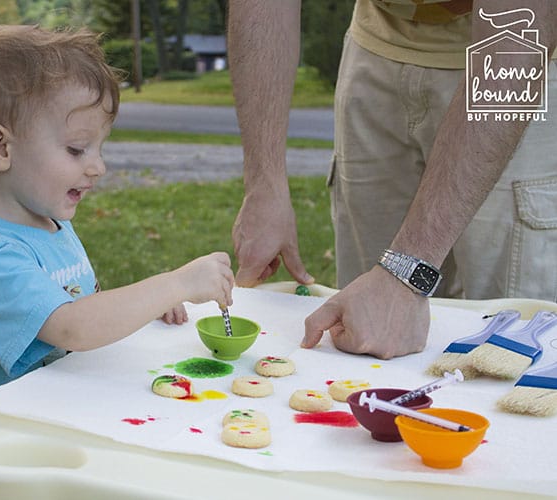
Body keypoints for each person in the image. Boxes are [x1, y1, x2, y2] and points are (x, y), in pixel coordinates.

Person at [228, 0, 557, 359]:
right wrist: (264, 182)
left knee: (511, 349)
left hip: (515, 50)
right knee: (364, 331)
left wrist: (408, 272)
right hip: (375, 44)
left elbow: (517, 28)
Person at [0, 25, 234, 397]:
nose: (98, 167)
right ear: (0, 148)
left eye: (99, 148)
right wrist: (177, 283)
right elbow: (72, 327)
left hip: (67, 408)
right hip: (14, 433)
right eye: (77, 149)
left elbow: (87, 306)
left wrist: (148, 304)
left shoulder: (52, 224)